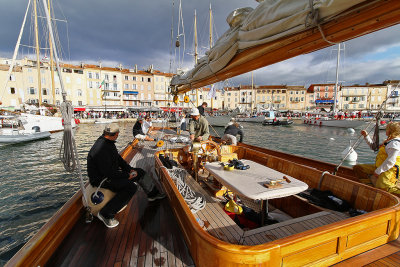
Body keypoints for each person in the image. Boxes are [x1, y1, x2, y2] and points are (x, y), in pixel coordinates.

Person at [87, 123, 165, 228]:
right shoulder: (100, 149)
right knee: (131, 187)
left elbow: (119, 160)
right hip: (102, 179)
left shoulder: (108, 143)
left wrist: (130, 170)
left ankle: (153, 194)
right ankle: (106, 214)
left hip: (110, 173)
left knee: (140, 172)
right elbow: (108, 173)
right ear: (116, 134)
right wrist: (126, 176)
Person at [353, 122, 400, 195]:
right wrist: (366, 136)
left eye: (387, 129)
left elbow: (390, 161)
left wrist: (378, 171)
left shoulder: (395, 144)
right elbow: (374, 147)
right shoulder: (388, 141)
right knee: (359, 168)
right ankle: (372, 188)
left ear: (391, 131)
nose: (386, 131)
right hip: (380, 167)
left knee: (383, 187)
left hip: (390, 170)